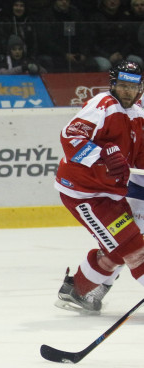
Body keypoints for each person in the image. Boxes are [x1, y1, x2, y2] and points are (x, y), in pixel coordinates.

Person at [54, 61, 144, 314]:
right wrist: (102, 155)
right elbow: (69, 136)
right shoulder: (101, 106)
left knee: (119, 250)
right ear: (113, 85)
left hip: (110, 193)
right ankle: (77, 290)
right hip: (84, 193)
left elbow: (140, 157)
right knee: (135, 250)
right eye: (122, 85)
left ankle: (76, 291)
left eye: (133, 86)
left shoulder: (137, 113)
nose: (127, 91)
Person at [88, 0, 142, 72]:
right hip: (102, 54)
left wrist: (122, 54)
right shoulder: (95, 18)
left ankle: (129, 83)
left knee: (137, 61)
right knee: (105, 65)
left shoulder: (125, 17)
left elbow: (130, 40)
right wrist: (108, 56)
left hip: (121, 54)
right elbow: (92, 42)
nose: (112, 2)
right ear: (104, 1)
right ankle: (105, 83)